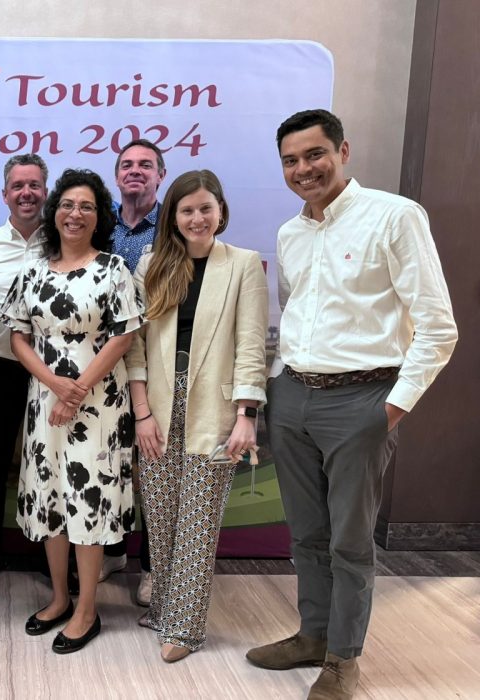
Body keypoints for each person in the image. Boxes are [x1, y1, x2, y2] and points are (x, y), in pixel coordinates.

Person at [246, 109, 457, 700]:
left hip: (363, 400)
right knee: (306, 533)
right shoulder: (290, 234)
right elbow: (295, 311)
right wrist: (279, 387)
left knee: (349, 540)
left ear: (343, 151)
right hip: (295, 396)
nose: (303, 169)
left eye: (315, 154)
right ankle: (313, 634)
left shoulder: (394, 216)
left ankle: (343, 659)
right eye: (290, 160)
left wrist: (389, 411)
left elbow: (439, 328)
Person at [125, 169, 268, 663]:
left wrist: (247, 414)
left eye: (206, 208)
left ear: (220, 211)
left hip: (216, 408)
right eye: (187, 210)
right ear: (173, 216)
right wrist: (142, 413)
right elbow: (136, 346)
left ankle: (184, 628)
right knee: (162, 517)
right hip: (157, 409)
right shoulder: (152, 265)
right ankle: (164, 607)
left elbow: (251, 344)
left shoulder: (243, 264)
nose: (197, 218)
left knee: (198, 522)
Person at [1, 169, 143, 654]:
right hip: (46, 401)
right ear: (54, 212)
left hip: (98, 404)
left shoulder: (113, 269)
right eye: (66, 205)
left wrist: (77, 389)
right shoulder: (33, 270)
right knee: (52, 495)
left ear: (99, 216)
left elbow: (124, 335)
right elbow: (18, 336)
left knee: (89, 499)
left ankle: (87, 609)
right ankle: (60, 597)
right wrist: (54, 384)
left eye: (86, 206)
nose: (75, 214)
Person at [0, 154, 48, 600]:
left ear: (45, 192)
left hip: (50, 373)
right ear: (4, 194)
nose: (26, 193)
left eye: (34, 185)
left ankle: (49, 556)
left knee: (47, 464)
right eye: (18, 186)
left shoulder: (61, 242)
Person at [101, 139, 167, 596]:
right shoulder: (100, 224)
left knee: (152, 467)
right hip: (101, 362)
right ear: (117, 175)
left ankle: (151, 566)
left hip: (154, 358)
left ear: (161, 175)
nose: (135, 171)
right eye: (127, 164)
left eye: (146, 165)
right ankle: (113, 552)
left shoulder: (173, 226)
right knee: (109, 461)